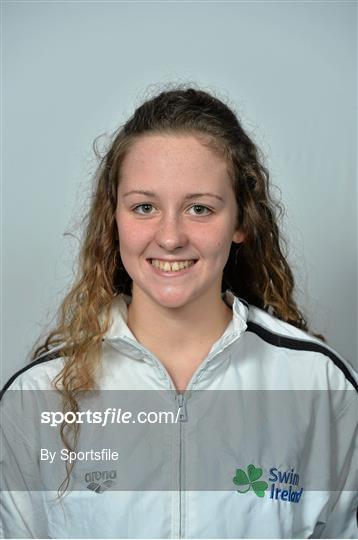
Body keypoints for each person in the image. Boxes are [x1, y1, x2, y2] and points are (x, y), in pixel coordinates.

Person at [1, 86, 357, 539]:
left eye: (200, 208)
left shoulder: (319, 386)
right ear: (114, 218)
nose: (170, 237)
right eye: (144, 207)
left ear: (242, 222)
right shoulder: (36, 398)